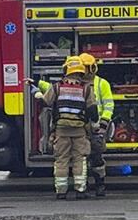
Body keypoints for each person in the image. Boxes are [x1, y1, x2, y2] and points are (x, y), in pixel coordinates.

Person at [41, 56, 99, 199]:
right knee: (79, 159)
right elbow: (93, 111)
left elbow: (46, 102)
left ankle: (61, 191)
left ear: (66, 70)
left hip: (61, 131)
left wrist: (36, 92)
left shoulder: (57, 87)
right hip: (80, 131)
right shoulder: (86, 89)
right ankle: (80, 190)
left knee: (61, 160)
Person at [79, 53, 115, 197]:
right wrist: (38, 84)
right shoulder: (76, 84)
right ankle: (83, 186)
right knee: (81, 158)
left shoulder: (101, 84)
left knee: (97, 157)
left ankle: (100, 184)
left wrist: (103, 124)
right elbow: (55, 89)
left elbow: (109, 105)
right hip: (81, 126)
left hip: (96, 126)